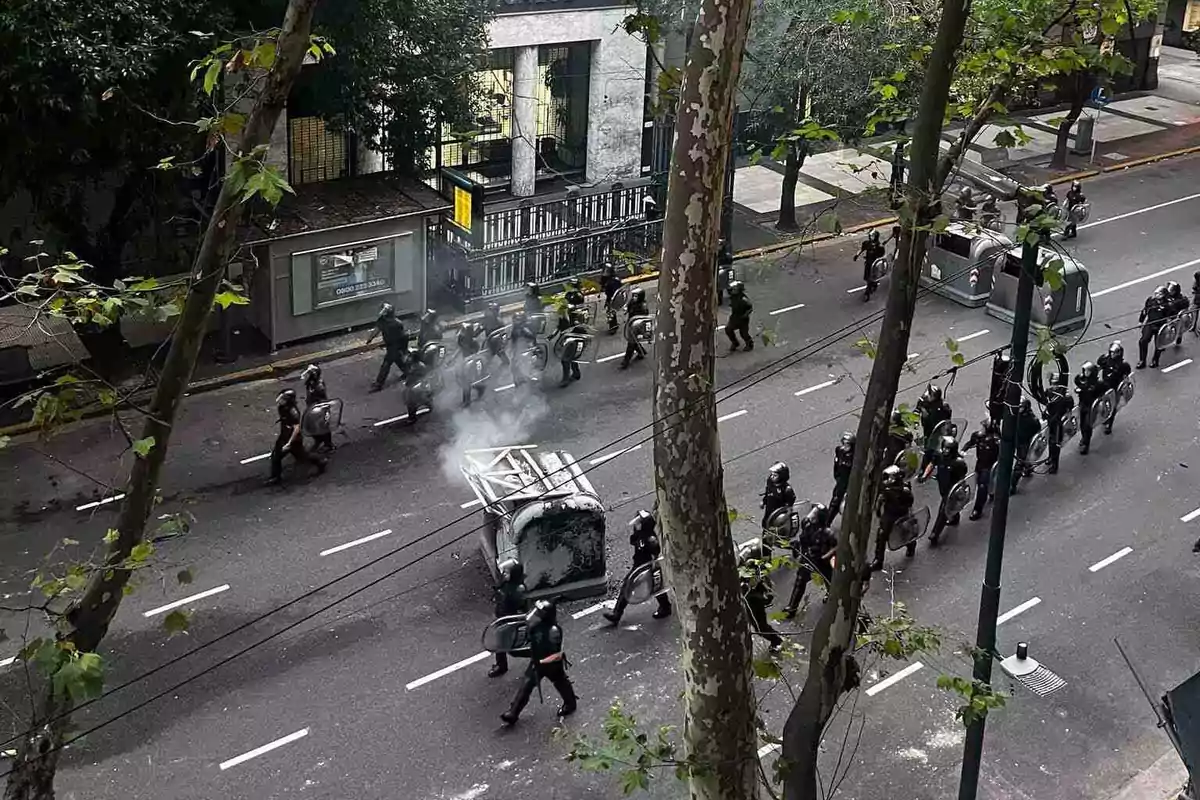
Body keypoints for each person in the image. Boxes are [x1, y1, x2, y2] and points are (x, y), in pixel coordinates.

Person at [500, 599, 577, 726]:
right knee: (526, 685)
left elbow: (556, 654)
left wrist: (542, 661)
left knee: (560, 683)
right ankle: (513, 713)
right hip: (537, 662)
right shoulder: (536, 627)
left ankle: (570, 704)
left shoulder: (553, 632)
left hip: (551, 665)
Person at [604, 510, 672, 625]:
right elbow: (633, 540)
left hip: (648, 566)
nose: (636, 524)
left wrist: (653, 561)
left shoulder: (650, 539)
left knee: (656, 587)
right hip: (638, 566)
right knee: (628, 586)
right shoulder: (640, 535)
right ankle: (617, 614)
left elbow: (655, 552)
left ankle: (665, 607)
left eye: (639, 522)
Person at [782, 505, 837, 620]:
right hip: (808, 559)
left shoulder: (827, 533)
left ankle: (832, 598)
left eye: (815, 513)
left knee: (830, 581)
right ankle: (792, 608)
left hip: (822, 562)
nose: (811, 514)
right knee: (800, 582)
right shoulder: (807, 526)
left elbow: (835, 547)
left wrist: (825, 556)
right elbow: (803, 539)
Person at [267, 389, 325, 485]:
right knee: (276, 457)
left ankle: (320, 462)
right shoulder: (282, 407)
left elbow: (296, 429)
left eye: (282, 398)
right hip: (284, 436)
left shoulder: (293, 412)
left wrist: (289, 443)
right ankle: (276, 477)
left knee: (302, 456)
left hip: (293, 440)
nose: (279, 400)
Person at [488, 560, 529, 678]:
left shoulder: (518, 589)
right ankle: (501, 666)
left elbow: (523, 608)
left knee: (512, 650)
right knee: (499, 644)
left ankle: (538, 654)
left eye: (507, 572)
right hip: (501, 619)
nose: (504, 574)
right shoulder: (507, 583)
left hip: (509, 622)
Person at [740, 540, 784, 649]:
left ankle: (777, 640)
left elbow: (752, 587)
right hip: (751, 600)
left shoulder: (754, 574)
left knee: (760, 628)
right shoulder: (758, 570)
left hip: (754, 602)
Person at [872, 465, 916, 570]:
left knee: (904, 533)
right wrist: (878, 508)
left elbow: (909, 504)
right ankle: (878, 560)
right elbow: (880, 500)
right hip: (888, 514)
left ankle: (911, 545)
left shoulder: (905, 491)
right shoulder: (886, 489)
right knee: (882, 535)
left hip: (901, 514)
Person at [929, 436, 968, 547]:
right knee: (950, 507)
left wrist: (961, 491)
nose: (945, 451)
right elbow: (932, 465)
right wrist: (925, 475)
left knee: (943, 510)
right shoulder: (939, 457)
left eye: (948, 449)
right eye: (944, 448)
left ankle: (935, 533)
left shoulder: (958, 463)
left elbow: (962, 478)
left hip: (952, 490)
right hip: (943, 486)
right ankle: (955, 517)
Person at [367, 302, 409, 392]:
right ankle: (408, 372)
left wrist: (403, 349)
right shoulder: (383, 320)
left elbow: (403, 337)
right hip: (390, 345)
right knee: (398, 360)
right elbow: (376, 330)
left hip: (395, 345)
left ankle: (379, 384)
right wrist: (370, 338)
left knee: (386, 364)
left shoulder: (397, 324)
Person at [963, 418, 999, 520]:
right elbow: (970, 443)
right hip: (980, 464)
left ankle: (977, 509)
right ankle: (991, 491)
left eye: (983, 427)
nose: (981, 429)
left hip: (989, 466)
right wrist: (962, 451)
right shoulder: (978, 436)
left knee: (982, 486)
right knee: (977, 481)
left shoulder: (995, 441)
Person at [916, 384, 952, 478]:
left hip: (938, 431)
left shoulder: (943, 406)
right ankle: (924, 470)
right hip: (927, 429)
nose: (927, 394)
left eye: (930, 393)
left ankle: (939, 470)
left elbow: (947, 420)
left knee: (937, 451)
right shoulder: (924, 401)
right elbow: (916, 411)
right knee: (927, 449)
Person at [1097, 339, 1132, 435]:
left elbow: (1126, 377)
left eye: (1114, 353)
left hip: (1115, 387)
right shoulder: (1106, 360)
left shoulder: (1123, 365)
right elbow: (1099, 367)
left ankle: (1109, 424)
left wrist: (1123, 388)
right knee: (1103, 402)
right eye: (1111, 352)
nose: (1112, 354)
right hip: (1105, 385)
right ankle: (1105, 417)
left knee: (1113, 406)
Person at [1043, 370, 1074, 474]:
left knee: (1055, 444)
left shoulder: (1065, 396)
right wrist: (1045, 413)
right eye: (1052, 383)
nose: (1053, 386)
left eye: (1055, 384)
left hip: (1058, 423)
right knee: (1049, 441)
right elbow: (1047, 403)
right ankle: (1050, 457)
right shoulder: (1049, 392)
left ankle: (1055, 465)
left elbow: (1070, 409)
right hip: (1050, 419)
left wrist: (1066, 419)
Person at [1011, 398, 1041, 494]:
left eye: (1021, 407)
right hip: (1017, 439)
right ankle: (1028, 469)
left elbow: (1037, 429)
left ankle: (1013, 485)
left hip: (1024, 442)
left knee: (1020, 462)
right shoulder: (1018, 415)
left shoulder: (1031, 419)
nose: (1019, 409)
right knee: (1025, 458)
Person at [1137, 285, 1172, 369]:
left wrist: (1169, 324)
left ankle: (1155, 360)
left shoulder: (1168, 304)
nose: (1156, 295)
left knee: (1159, 344)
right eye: (1156, 293)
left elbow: (1171, 316)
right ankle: (1142, 361)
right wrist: (1141, 321)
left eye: (1158, 293)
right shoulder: (1150, 301)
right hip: (1150, 323)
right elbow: (1145, 311)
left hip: (1161, 326)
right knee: (1143, 341)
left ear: (1163, 295)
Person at [301, 364, 334, 452]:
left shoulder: (319, 386)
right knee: (312, 426)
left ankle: (328, 445)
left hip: (319, 409)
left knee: (323, 427)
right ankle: (318, 439)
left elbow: (322, 400)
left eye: (311, 373)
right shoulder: (311, 381)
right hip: (312, 407)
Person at [1074, 361, 1104, 455]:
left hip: (1091, 407)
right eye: (1084, 371)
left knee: (1088, 425)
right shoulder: (1081, 379)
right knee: (1082, 424)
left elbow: (1103, 394)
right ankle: (1084, 438)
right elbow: (1078, 384)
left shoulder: (1098, 383)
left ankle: (1086, 444)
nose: (1085, 373)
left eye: (1087, 371)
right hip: (1082, 404)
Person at [619, 287, 650, 370]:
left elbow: (644, 318)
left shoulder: (643, 306)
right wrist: (626, 309)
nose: (634, 298)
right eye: (633, 296)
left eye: (636, 296)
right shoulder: (632, 301)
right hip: (630, 323)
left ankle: (626, 362)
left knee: (631, 343)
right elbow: (628, 306)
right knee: (633, 341)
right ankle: (641, 352)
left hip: (637, 327)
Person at [761, 461, 796, 531]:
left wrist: (785, 517)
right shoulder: (770, 482)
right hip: (769, 510)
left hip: (778, 515)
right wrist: (764, 501)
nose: (772, 477)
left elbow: (789, 506)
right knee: (765, 525)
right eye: (771, 474)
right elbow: (768, 492)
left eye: (775, 475)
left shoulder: (787, 490)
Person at [829, 432, 855, 520]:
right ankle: (827, 522)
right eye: (844, 443)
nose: (845, 446)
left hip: (851, 481)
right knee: (835, 499)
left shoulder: (855, 456)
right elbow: (836, 465)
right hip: (841, 480)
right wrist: (837, 476)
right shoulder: (839, 451)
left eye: (847, 444)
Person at [854, 230, 887, 301]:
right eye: (870, 236)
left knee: (871, 278)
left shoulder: (880, 246)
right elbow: (862, 249)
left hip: (875, 264)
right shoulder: (866, 243)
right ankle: (873, 284)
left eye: (872, 236)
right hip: (868, 263)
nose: (871, 237)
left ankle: (867, 292)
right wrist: (857, 255)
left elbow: (882, 256)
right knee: (867, 277)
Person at [725, 281, 754, 351]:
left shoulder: (744, 299)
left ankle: (750, 344)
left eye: (734, 289)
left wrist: (745, 315)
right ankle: (735, 343)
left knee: (744, 334)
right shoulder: (733, 296)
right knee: (728, 329)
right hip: (734, 317)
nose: (732, 290)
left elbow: (750, 308)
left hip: (742, 319)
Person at [481, 302, 510, 367]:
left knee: (496, 353)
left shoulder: (497, 320)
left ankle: (505, 364)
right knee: (491, 354)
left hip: (496, 341)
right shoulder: (490, 319)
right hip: (492, 341)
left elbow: (503, 331)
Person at [987, 352, 1012, 424]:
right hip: (999, 405)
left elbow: (999, 392)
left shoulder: (1003, 383)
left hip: (998, 404)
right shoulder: (1005, 379)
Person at [600, 264, 623, 334]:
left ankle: (613, 326)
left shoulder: (615, 280)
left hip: (613, 297)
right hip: (609, 297)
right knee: (609, 312)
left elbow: (617, 291)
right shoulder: (605, 278)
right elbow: (603, 285)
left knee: (611, 312)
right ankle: (613, 325)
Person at [1168, 281, 1190, 347]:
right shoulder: (1168, 297)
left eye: (1172, 290)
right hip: (1169, 316)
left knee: (1179, 329)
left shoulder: (1182, 300)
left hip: (1177, 317)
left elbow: (1185, 309)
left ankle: (1178, 338)